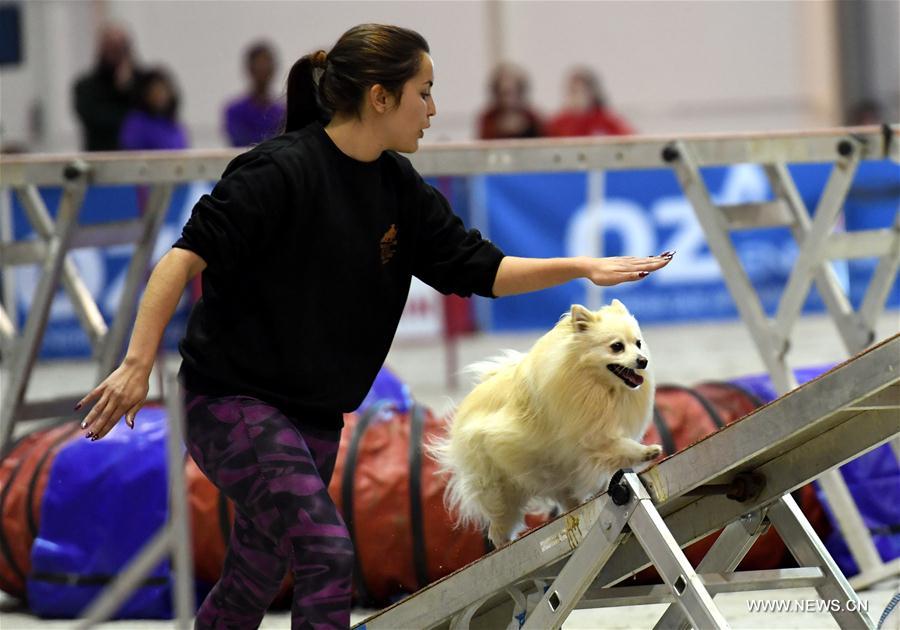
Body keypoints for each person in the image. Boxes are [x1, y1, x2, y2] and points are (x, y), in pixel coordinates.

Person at [76, 24, 672, 629]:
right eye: (425, 91)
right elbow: (180, 259)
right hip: (232, 402)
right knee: (325, 550)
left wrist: (583, 267)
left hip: (313, 413)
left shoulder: (398, 189)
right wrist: (135, 364)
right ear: (380, 98)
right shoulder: (277, 171)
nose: (434, 110)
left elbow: (482, 268)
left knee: (258, 565)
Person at [73, 23, 144, 151]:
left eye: (120, 47)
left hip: (139, 158)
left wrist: (129, 88)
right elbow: (97, 120)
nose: (115, 53)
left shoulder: (143, 82)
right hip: (101, 155)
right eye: (110, 47)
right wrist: (119, 92)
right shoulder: (86, 86)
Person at [223, 41, 286, 146]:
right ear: (249, 69)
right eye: (259, 65)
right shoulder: (234, 110)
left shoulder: (282, 112)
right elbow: (239, 142)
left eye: (267, 64)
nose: (263, 69)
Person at [545, 67, 634, 138]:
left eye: (578, 91)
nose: (574, 97)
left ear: (591, 93)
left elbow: (628, 140)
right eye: (571, 91)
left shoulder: (606, 120)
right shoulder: (559, 123)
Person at [119, 67, 189, 151]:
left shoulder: (174, 124)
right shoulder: (136, 123)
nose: (159, 96)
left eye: (163, 91)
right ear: (146, 94)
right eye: (155, 91)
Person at [477, 62, 542, 139]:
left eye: (513, 92)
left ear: (521, 92)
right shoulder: (488, 118)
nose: (508, 99)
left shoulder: (532, 118)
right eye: (503, 93)